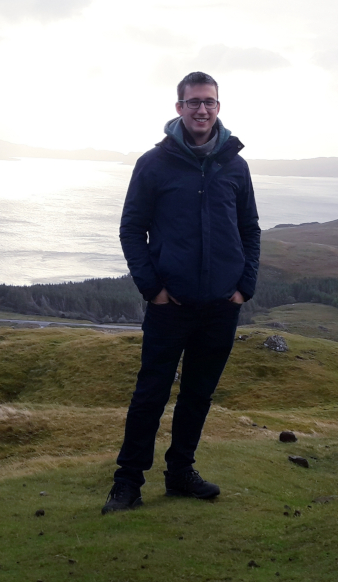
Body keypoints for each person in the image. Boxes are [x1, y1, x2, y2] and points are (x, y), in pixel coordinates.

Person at [102, 71, 260, 514]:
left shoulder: (235, 165)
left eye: (209, 102)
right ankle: (127, 483)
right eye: (194, 102)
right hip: (170, 305)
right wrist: (152, 289)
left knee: (197, 396)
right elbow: (132, 229)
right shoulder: (154, 163)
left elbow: (249, 229)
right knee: (149, 395)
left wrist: (243, 288)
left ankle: (180, 474)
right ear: (179, 108)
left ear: (218, 107)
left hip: (221, 306)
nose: (202, 110)